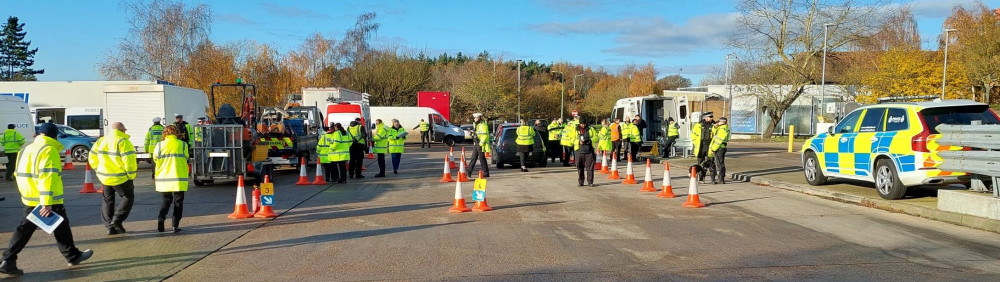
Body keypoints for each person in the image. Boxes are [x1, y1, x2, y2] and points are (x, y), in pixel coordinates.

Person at [1, 123, 93, 276]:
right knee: (29, 229)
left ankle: (73, 255)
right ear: (54, 135)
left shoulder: (25, 148)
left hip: (30, 196)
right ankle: (8, 260)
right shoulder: (49, 150)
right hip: (46, 199)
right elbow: (47, 177)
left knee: (57, 226)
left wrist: (28, 194)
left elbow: (18, 174)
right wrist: (46, 202)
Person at [88, 122, 137, 235]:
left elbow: (92, 156)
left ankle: (109, 226)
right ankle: (117, 220)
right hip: (120, 178)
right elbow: (129, 162)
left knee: (107, 200)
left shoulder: (101, 140)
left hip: (104, 177)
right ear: (122, 130)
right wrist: (131, 175)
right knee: (127, 198)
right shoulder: (123, 142)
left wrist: (97, 169)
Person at [152, 125, 189, 233]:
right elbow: (186, 156)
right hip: (178, 177)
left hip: (163, 178)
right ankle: (175, 225)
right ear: (177, 133)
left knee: (165, 200)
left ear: (165, 133)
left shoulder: (159, 145)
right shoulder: (182, 144)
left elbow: (155, 158)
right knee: (178, 202)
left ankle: (161, 219)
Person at [691, 112, 715, 182]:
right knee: (700, 163)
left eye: (711, 117)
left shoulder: (714, 125)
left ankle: (713, 179)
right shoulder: (699, 125)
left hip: (710, 146)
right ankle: (701, 178)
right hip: (701, 146)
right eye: (710, 117)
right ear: (705, 117)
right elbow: (693, 134)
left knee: (711, 163)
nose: (711, 118)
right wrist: (695, 142)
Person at [573, 119, 598, 186]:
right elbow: (571, 138)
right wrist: (578, 141)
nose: (583, 125)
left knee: (590, 167)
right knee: (579, 167)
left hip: (589, 151)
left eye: (584, 124)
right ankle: (581, 182)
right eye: (582, 124)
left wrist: (590, 140)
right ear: (579, 124)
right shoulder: (575, 130)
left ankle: (590, 181)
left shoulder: (591, 129)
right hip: (579, 151)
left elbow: (596, 137)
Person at [466, 113, 490, 177]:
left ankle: (485, 172)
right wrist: (471, 134)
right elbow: (476, 134)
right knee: (474, 157)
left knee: (481, 158)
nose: (474, 119)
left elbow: (484, 135)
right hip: (477, 142)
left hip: (480, 143)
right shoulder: (476, 125)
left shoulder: (483, 125)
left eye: (475, 118)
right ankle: (469, 172)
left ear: (478, 118)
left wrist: (481, 143)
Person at [709, 117, 731, 184]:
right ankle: (721, 178)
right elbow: (713, 132)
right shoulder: (722, 128)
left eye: (719, 121)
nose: (718, 122)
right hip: (721, 148)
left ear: (723, 122)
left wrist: (713, 148)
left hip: (719, 148)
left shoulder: (723, 129)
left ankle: (721, 178)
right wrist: (715, 127)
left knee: (720, 164)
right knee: (720, 163)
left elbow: (718, 141)